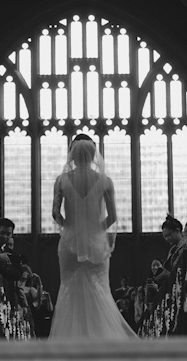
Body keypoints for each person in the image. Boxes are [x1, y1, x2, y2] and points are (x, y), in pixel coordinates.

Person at [49, 134, 137, 340]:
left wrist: (70, 227)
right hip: (97, 244)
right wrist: (95, 230)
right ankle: (103, 342)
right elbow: (113, 217)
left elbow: (55, 214)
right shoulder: (105, 181)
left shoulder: (61, 180)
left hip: (69, 245)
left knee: (69, 293)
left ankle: (70, 343)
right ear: (93, 154)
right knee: (100, 291)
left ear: (72, 154)